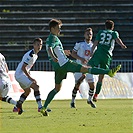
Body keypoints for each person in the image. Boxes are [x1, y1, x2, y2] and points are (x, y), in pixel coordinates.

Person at [41, 19, 121, 116]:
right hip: (65, 64)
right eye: (58, 28)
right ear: (52, 28)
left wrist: (63, 53)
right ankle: (108, 71)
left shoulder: (50, 38)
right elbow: (49, 49)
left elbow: (52, 48)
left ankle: (44, 107)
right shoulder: (53, 38)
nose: (59, 30)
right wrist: (54, 57)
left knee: (57, 89)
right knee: (86, 69)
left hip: (58, 67)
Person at [88, 20, 127, 102]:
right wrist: (122, 45)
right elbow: (117, 39)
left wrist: (91, 51)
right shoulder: (114, 33)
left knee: (88, 67)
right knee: (101, 77)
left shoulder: (100, 32)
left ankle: (85, 75)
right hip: (107, 55)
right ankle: (96, 95)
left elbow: (95, 42)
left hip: (98, 53)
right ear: (112, 27)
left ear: (105, 26)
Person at [14, 38, 43, 115]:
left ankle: (17, 106)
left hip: (19, 75)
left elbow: (27, 68)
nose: (39, 46)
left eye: (40, 45)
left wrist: (29, 76)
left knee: (27, 91)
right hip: (20, 75)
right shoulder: (31, 54)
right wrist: (30, 78)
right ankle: (40, 107)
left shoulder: (35, 55)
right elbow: (23, 67)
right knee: (36, 87)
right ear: (33, 45)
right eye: (37, 44)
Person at [70, 27, 96, 108]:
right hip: (79, 67)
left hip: (88, 68)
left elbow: (95, 57)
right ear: (84, 35)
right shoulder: (80, 44)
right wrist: (81, 59)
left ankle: (89, 99)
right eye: (87, 34)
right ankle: (72, 101)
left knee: (92, 85)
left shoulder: (93, 46)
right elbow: (73, 53)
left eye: (90, 34)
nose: (89, 35)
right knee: (77, 84)